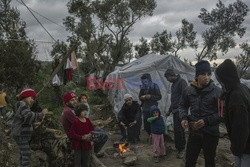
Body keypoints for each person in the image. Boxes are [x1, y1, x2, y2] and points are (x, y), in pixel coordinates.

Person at [179, 60, 221, 167]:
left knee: (210, 161)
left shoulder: (218, 92)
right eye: (203, 74)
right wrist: (183, 117)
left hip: (211, 133)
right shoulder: (188, 90)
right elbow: (182, 105)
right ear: (197, 76)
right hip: (194, 132)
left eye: (209, 74)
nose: (206, 77)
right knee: (190, 161)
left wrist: (206, 121)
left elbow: (222, 113)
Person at [215, 59, 250, 167]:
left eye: (221, 80)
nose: (220, 83)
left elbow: (241, 127)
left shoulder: (236, 97)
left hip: (246, 146)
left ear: (226, 78)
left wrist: (236, 149)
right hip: (244, 144)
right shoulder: (242, 88)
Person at [11, 88, 48, 167]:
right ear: (25, 97)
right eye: (31, 97)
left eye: (34, 99)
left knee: (23, 153)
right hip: (21, 134)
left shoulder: (22, 106)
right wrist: (41, 114)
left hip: (21, 134)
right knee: (26, 154)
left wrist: (34, 124)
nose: (32, 100)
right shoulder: (23, 105)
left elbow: (25, 120)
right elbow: (28, 117)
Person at [164, 69, 187, 158]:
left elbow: (185, 96)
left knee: (179, 130)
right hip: (175, 110)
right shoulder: (174, 84)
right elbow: (173, 100)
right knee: (177, 130)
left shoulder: (182, 82)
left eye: (167, 78)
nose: (167, 80)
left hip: (180, 111)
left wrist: (182, 109)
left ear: (171, 75)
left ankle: (182, 149)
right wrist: (169, 111)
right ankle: (178, 147)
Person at [139, 73, 162, 138]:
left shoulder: (155, 86)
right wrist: (142, 97)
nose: (144, 82)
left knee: (154, 122)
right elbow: (140, 96)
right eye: (143, 81)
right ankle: (150, 134)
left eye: (145, 81)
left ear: (149, 80)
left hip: (153, 108)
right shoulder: (143, 87)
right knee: (146, 124)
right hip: (145, 108)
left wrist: (150, 96)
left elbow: (159, 96)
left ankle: (155, 136)